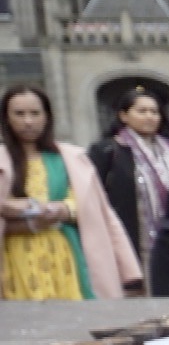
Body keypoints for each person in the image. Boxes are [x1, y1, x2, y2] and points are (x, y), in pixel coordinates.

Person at [0, 85, 142, 300]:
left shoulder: (72, 157)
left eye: (35, 113)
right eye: (19, 114)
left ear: (47, 117)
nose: (28, 121)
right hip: (12, 254)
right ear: (7, 118)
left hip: (65, 251)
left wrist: (63, 209)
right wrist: (22, 215)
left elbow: (95, 207)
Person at [89, 87, 169, 256]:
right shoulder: (108, 150)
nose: (149, 117)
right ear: (124, 116)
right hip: (132, 238)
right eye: (142, 111)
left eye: (154, 112)